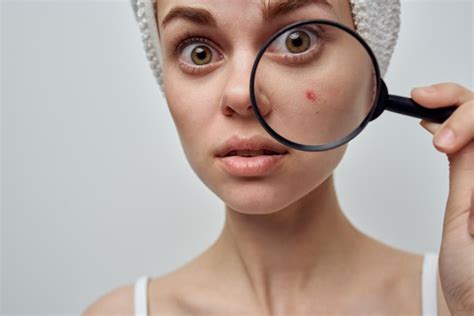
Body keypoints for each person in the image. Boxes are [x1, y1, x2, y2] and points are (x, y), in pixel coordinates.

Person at [84, 0, 474, 315]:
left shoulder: (453, 301)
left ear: (371, 82)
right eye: (198, 51)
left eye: (297, 41)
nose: (240, 95)